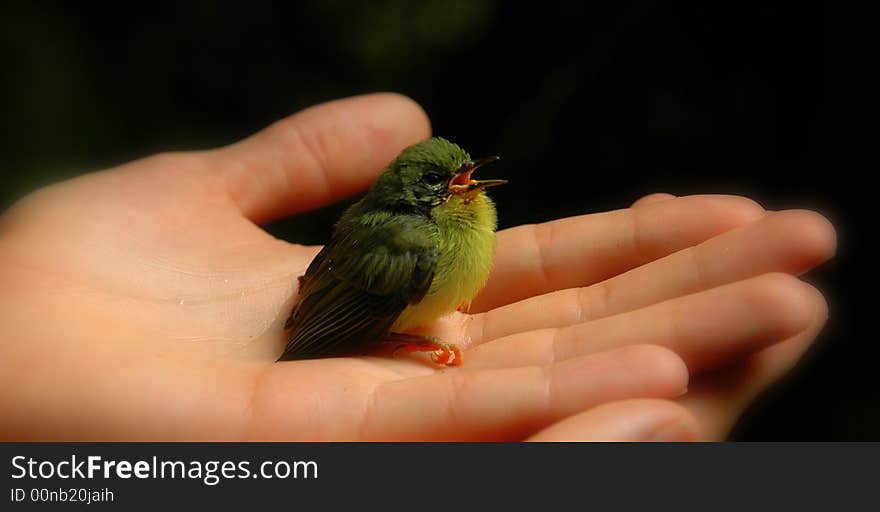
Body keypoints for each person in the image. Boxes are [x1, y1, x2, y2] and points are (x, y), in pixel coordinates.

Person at [0, 94, 835, 441]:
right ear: (423, 194)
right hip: (339, 302)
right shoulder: (414, 244)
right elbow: (337, 303)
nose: (464, 183)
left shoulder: (464, 218)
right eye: (446, 179)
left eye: (465, 172)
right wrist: (314, 343)